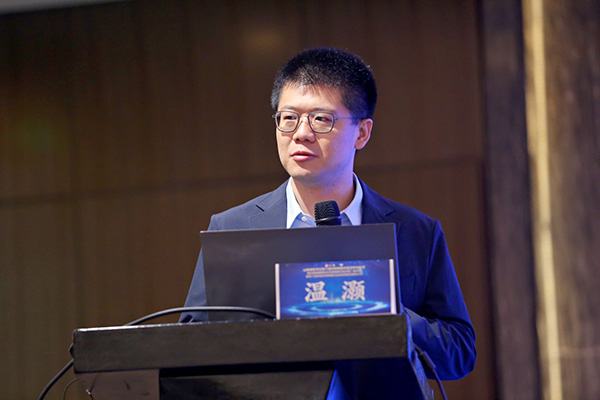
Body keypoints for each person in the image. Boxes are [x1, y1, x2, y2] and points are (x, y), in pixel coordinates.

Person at [181, 47, 476, 385]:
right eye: (288, 118)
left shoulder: (415, 231)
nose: (301, 133)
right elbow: (188, 347)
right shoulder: (231, 228)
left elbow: (459, 354)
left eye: (321, 119)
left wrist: (387, 311)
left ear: (362, 133)